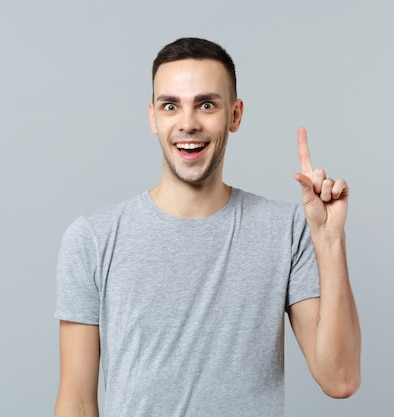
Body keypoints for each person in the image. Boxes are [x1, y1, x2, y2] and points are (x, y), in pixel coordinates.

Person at [54, 37, 360, 417]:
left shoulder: (287, 230)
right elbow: (78, 403)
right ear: (153, 117)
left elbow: (340, 379)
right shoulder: (92, 239)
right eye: (170, 106)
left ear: (235, 115)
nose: (188, 123)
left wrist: (329, 240)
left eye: (206, 104)